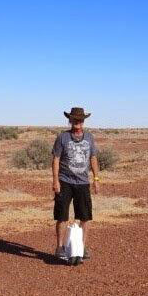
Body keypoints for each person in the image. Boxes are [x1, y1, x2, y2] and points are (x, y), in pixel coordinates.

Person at [52, 107, 100, 261]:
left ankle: (82, 247)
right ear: (70, 120)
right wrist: (55, 181)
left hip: (83, 182)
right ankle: (60, 247)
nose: (77, 122)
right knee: (62, 216)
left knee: (85, 217)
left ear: (83, 121)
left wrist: (96, 179)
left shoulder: (89, 138)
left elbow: (93, 158)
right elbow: (56, 159)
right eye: (74, 119)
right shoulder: (62, 138)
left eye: (80, 119)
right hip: (65, 181)